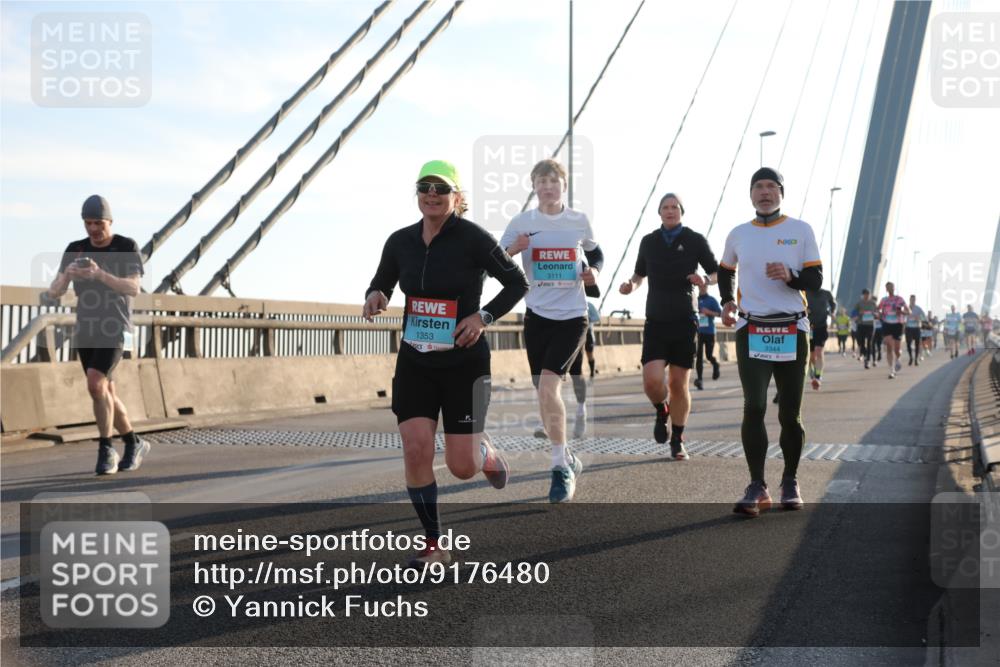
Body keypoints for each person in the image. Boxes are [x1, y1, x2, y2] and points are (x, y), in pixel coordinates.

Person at [364, 160, 528, 566]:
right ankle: (435, 543)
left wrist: (482, 317)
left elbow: (516, 282)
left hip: (464, 365)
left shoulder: (474, 238)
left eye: (441, 188)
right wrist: (375, 295)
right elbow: (382, 280)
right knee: (416, 448)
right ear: (417, 193)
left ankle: (485, 455)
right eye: (425, 187)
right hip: (416, 362)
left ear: (457, 196)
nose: (432, 194)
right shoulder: (399, 241)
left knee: (461, 467)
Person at [718, 167, 821, 516]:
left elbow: (816, 278)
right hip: (753, 329)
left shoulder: (800, 230)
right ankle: (757, 485)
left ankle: (790, 480)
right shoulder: (738, 234)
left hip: (792, 330)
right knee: (755, 406)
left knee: (790, 414)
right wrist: (727, 300)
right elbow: (724, 270)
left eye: (771, 187)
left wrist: (791, 276)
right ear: (750, 194)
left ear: (781, 193)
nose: (765, 192)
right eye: (758, 187)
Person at [501, 158, 602, 502]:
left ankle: (559, 467)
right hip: (537, 317)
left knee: (548, 386)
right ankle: (570, 458)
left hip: (573, 316)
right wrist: (513, 250)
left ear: (564, 185)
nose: (547, 186)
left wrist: (595, 273)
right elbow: (495, 260)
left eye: (553, 180)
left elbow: (595, 252)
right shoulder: (522, 222)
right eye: (541, 181)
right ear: (533, 186)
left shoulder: (578, 221)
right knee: (544, 395)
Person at [46, 195, 149, 476]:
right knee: (105, 391)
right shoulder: (75, 249)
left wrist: (100, 275)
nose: (93, 229)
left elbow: (133, 288)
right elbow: (54, 292)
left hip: (116, 328)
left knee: (94, 384)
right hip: (87, 329)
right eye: (88, 223)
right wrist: (67, 275)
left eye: (99, 223)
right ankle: (134, 442)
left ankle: (106, 449)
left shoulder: (125, 247)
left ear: (110, 222)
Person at [619, 192, 719, 460]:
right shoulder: (649, 241)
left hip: (685, 319)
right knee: (652, 382)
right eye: (665, 207)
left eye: (675, 206)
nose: (670, 210)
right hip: (656, 320)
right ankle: (661, 410)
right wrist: (631, 285)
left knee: (678, 383)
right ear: (659, 212)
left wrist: (704, 281)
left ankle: (678, 438)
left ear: (681, 211)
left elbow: (716, 272)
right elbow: (640, 274)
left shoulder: (695, 240)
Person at [805, 287, 836, 390]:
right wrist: (804, 309)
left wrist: (832, 312)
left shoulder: (826, 293)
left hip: (821, 326)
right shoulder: (805, 292)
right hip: (808, 327)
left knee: (819, 351)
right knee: (811, 355)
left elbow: (833, 304)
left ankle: (818, 377)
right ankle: (812, 372)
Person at [694, 283, 722, 390]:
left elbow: (720, 313)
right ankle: (699, 380)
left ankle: (715, 365)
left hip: (710, 332)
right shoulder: (695, 300)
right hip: (699, 332)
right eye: (700, 286)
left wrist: (708, 312)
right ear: (698, 287)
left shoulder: (711, 300)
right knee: (699, 357)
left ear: (707, 287)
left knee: (709, 355)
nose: (702, 288)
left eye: (704, 286)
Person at [877, 283, 907, 378]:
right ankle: (892, 370)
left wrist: (901, 312)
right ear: (886, 289)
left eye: (891, 287)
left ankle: (898, 359)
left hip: (898, 324)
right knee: (889, 346)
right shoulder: (884, 300)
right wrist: (879, 315)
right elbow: (877, 310)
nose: (889, 288)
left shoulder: (900, 299)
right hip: (887, 324)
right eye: (888, 287)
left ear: (894, 288)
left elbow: (909, 311)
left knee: (897, 349)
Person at [853, 289, 878, 369]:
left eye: (868, 294)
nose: (866, 296)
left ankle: (867, 360)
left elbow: (878, 314)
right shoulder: (859, 303)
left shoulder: (873, 303)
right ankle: (864, 354)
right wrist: (859, 313)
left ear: (870, 295)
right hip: (861, 325)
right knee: (861, 342)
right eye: (865, 294)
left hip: (870, 325)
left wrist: (875, 314)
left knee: (869, 342)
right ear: (863, 295)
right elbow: (853, 313)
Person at [904, 294, 927, 366]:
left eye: (914, 300)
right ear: (909, 300)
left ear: (915, 300)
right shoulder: (906, 308)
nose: (912, 301)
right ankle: (911, 357)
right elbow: (902, 316)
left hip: (916, 328)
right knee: (908, 344)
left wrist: (919, 318)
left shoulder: (918, 308)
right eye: (911, 299)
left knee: (917, 344)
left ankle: (916, 359)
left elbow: (924, 318)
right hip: (908, 328)